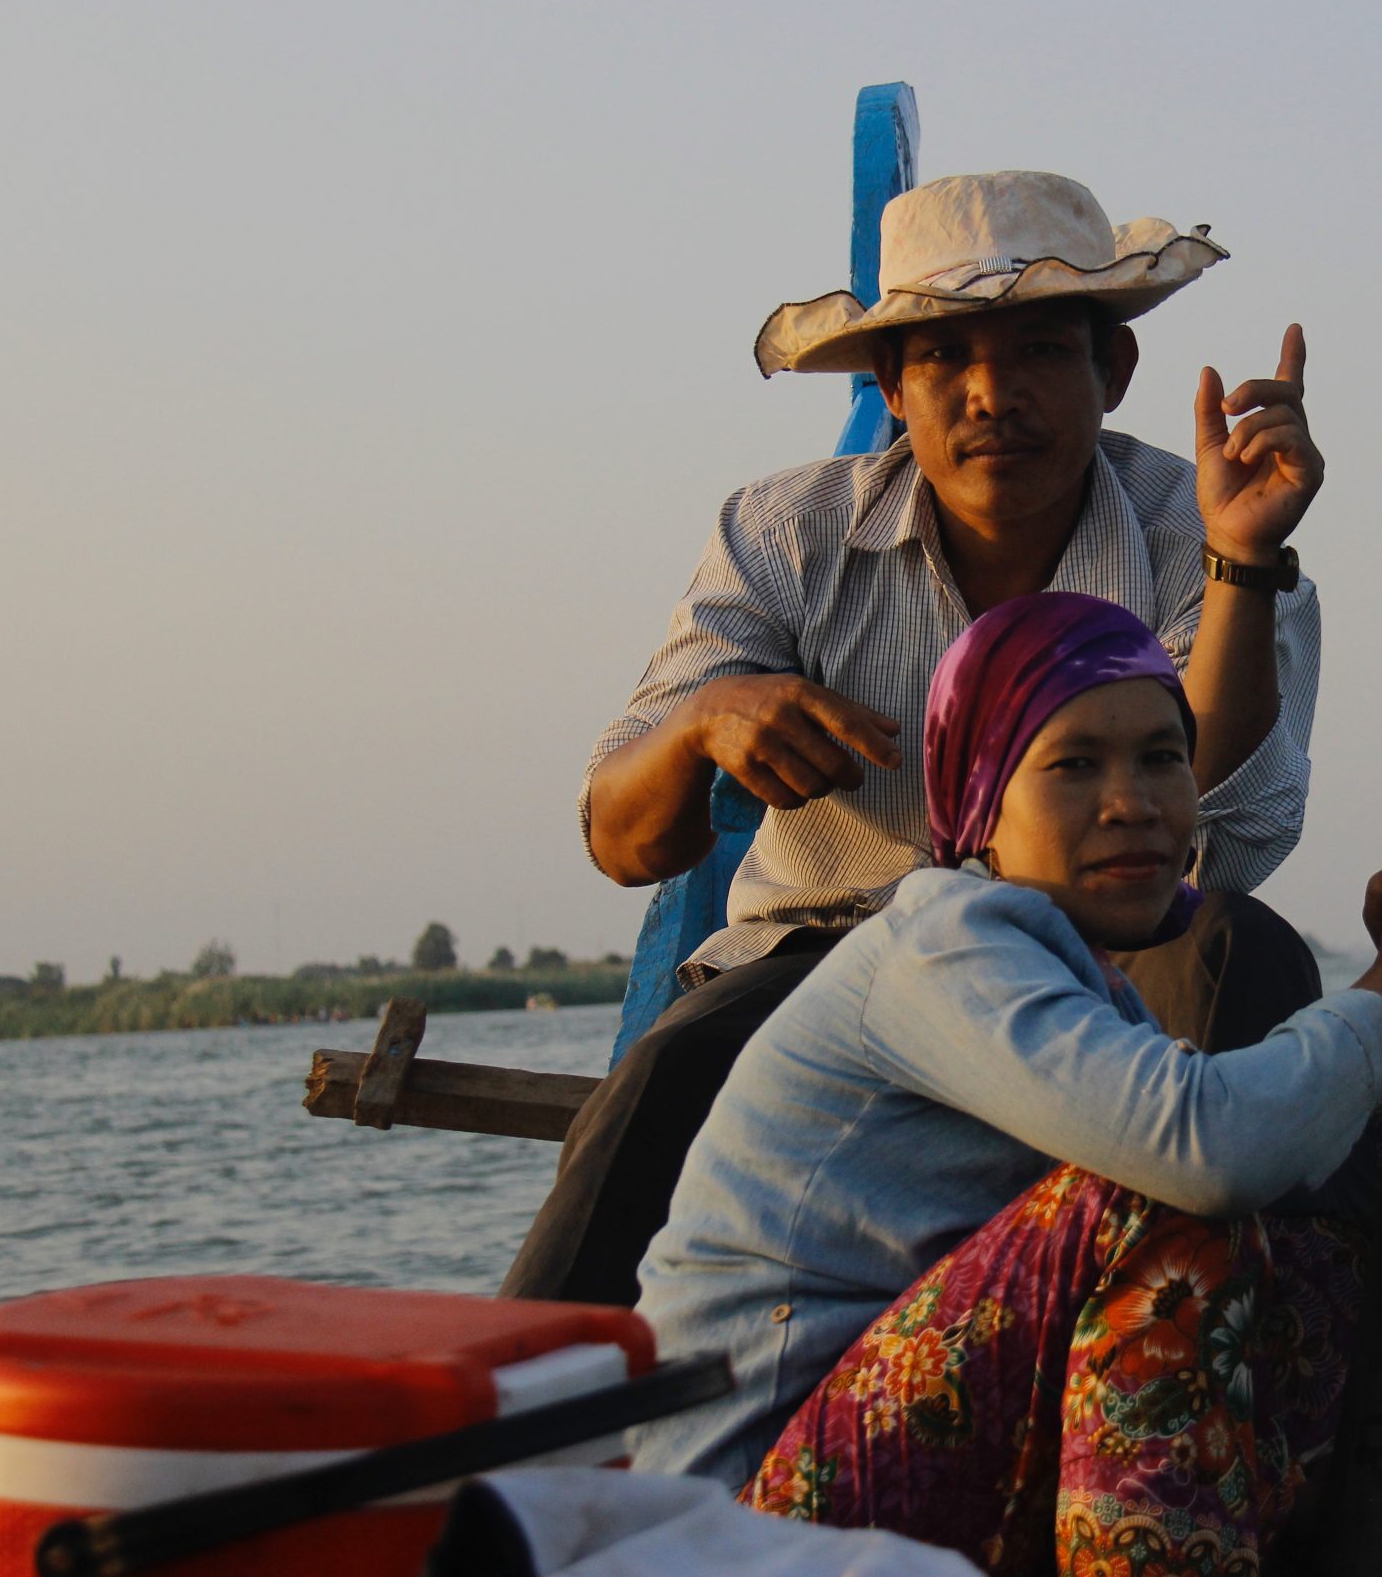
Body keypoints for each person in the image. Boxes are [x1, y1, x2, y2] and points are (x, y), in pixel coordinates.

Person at [507, 171, 1339, 1305]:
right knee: (667, 1076)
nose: (992, 395)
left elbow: (1205, 793)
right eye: (945, 359)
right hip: (830, 962)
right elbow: (621, 840)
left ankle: (1233, 1408)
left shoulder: (1205, 521)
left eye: (1041, 350)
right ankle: (537, 1444)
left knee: (1240, 958)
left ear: (1115, 373)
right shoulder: (783, 533)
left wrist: (1243, 557)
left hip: (1105, 951)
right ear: (892, 387)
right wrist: (706, 722)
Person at [632, 592, 1382, 1577]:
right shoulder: (944, 941)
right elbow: (1207, 1151)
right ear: (979, 802)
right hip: (741, 1518)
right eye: (1073, 766)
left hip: (874, 1493)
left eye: (1160, 758)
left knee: (1296, 1250)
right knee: (1173, 1190)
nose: (1131, 802)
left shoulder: (1082, 988)